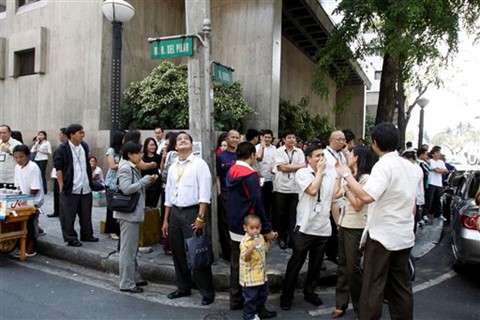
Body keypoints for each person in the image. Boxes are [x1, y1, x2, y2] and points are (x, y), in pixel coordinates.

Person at [335, 123, 422, 320]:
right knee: (401, 285)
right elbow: (413, 204)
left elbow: (366, 196)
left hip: (382, 235)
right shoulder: (412, 168)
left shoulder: (383, 165)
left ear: (374, 144)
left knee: (373, 284)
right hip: (404, 234)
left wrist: (346, 175)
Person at [162, 131, 215, 306]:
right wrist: (166, 220)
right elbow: (168, 195)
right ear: (175, 147)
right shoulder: (172, 167)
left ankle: (207, 291)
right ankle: (183, 287)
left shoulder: (199, 165)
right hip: (175, 213)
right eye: (179, 140)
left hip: (193, 212)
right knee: (177, 252)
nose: (182, 141)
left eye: (186, 139)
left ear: (191, 145)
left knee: (196, 252)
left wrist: (200, 216)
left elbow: (204, 194)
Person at [226, 141, 277, 313]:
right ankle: (257, 307)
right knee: (256, 264)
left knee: (236, 263)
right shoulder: (250, 176)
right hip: (250, 227)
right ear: (252, 155)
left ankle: (235, 300)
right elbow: (258, 202)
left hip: (234, 224)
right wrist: (267, 228)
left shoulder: (231, 172)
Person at [279, 143, 330, 311]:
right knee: (296, 262)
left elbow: (336, 195)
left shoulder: (329, 173)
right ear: (308, 159)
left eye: (323, 155)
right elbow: (313, 190)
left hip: (322, 227)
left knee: (316, 264)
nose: (321, 158)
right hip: (305, 227)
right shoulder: (302, 173)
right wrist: (321, 171)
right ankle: (287, 295)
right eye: (317, 156)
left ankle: (310, 292)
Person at [332, 146, 373, 319]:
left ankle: (360, 308)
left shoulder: (366, 179)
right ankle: (340, 304)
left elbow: (357, 205)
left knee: (354, 269)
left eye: (350, 154)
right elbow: (335, 194)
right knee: (342, 266)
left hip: (356, 227)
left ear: (357, 158)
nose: (347, 156)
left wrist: (347, 187)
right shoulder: (351, 176)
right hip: (344, 224)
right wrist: (338, 175)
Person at [115, 141, 157, 293]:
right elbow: (126, 189)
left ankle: (135, 277)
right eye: (138, 153)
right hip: (128, 215)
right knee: (128, 251)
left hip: (132, 214)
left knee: (132, 249)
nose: (140, 156)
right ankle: (126, 283)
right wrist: (144, 181)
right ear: (129, 155)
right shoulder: (126, 168)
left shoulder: (131, 167)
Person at [54, 124, 98, 247]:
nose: (82, 135)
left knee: (86, 213)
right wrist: (62, 186)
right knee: (68, 215)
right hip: (70, 186)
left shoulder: (84, 146)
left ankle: (87, 235)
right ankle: (71, 238)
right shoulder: (62, 149)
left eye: (83, 132)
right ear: (72, 135)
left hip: (85, 186)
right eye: (80, 133)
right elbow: (59, 169)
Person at [240, 215, 277, 320]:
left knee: (263, 294)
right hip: (250, 277)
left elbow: (264, 250)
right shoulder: (245, 242)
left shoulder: (260, 237)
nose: (255, 231)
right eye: (252, 228)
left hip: (261, 275)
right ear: (245, 228)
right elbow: (245, 258)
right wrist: (251, 247)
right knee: (251, 298)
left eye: (258, 228)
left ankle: (260, 310)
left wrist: (270, 239)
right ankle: (249, 316)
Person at [273, 130, 305, 249]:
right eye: (289, 137)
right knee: (281, 214)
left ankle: (293, 238)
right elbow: (281, 168)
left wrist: (288, 166)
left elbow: (303, 167)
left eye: (293, 137)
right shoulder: (278, 151)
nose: (292, 139)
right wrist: (294, 167)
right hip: (281, 187)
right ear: (284, 139)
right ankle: (282, 238)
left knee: (294, 214)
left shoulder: (300, 152)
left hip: (295, 187)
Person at [12, 144, 45, 257]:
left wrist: (27, 201)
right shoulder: (17, 167)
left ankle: (31, 247)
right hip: (22, 199)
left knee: (31, 223)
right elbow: (18, 185)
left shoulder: (33, 167)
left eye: (21, 157)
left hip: (33, 200)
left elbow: (35, 189)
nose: (18, 160)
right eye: (16, 157)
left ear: (27, 156)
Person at [216, 129, 240, 260]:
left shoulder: (241, 155)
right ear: (227, 139)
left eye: (237, 137)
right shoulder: (220, 156)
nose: (235, 140)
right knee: (225, 222)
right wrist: (219, 193)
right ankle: (227, 252)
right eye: (233, 137)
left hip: (240, 194)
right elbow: (218, 176)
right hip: (226, 193)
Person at [103, 129, 126, 239]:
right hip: (112, 182)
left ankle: (118, 229)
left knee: (119, 206)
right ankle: (111, 230)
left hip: (121, 182)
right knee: (111, 207)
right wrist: (125, 163)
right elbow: (112, 166)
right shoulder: (111, 151)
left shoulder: (124, 150)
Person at [255, 130, 276, 221]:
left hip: (271, 179)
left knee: (268, 202)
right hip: (259, 178)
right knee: (260, 201)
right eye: (265, 137)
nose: (267, 139)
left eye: (269, 137)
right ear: (261, 137)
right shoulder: (256, 148)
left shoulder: (275, 149)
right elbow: (257, 161)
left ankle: (267, 221)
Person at [48, 128, 68, 218]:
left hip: (64, 174)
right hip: (56, 173)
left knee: (62, 194)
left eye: (60, 135)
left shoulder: (67, 148)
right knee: (56, 194)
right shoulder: (61, 147)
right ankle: (57, 210)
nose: (59, 136)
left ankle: (63, 212)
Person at [424, 147, 448, 221]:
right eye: (437, 153)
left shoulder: (441, 162)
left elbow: (446, 171)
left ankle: (438, 214)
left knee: (438, 199)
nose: (439, 154)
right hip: (431, 182)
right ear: (432, 154)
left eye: (439, 153)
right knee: (429, 199)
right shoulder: (430, 161)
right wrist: (440, 170)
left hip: (439, 183)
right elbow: (436, 170)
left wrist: (439, 170)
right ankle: (425, 214)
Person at [0, 124, 23, 189]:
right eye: (0, 133)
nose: (2, 135)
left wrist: (10, 152)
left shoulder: (17, 144)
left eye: (4, 133)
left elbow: (23, 159)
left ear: (10, 133)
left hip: (11, 178)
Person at [141, 137, 162, 208]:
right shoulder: (142, 158)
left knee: (153, 204)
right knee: (146, 203)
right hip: (145, 183)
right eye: (151, 145)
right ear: (146, 146)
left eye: (154, 145)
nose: (153, 147)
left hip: (156, 182)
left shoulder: (158, 157)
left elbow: (161, 169)